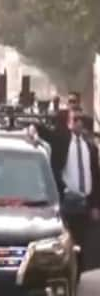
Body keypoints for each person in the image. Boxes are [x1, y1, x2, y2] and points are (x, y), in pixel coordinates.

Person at [35, 107, 100, 271]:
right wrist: (34, 124)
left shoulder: (90, 147)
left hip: (85, 202)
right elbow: (48, 135)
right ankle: (69, 271)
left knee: (83, 242)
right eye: (74, 119)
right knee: (66, 241)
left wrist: (95, 205)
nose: (78, 123)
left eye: (80, 120)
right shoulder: (63, 141)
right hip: (67, 200)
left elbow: (95, 176)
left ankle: (79, 271)